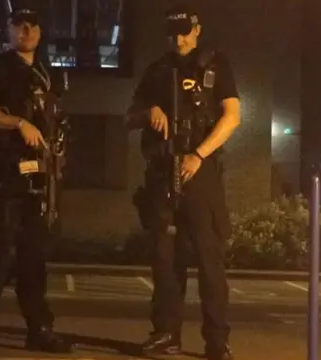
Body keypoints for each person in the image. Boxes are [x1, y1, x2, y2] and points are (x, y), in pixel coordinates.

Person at [126, 4, 241, 360]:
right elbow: (128, 117)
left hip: (199, 172)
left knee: (210, 262)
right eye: (171, 34)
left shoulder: (215, 65)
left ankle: (216, 341)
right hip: (162, 173)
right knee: (164, 262)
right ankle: (166, 334)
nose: (178, 39)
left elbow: (232, 116)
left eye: (183, 32)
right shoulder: (157, 70)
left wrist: (199, 154)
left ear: (196, 30)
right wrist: (149, 112)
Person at [0, 5, 73, 358]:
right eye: (18, 25)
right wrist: (18, 124)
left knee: (34, 259)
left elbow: (57, 121)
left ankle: (38, 329)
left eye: (32, 25)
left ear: (40, 32)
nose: (25, 31)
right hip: (5, 176)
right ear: (9, 31)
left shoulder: (48, 73)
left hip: (42, 178)